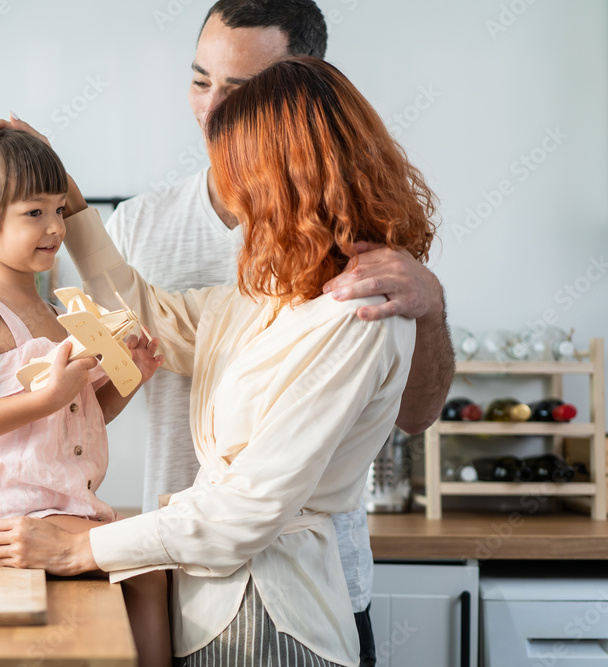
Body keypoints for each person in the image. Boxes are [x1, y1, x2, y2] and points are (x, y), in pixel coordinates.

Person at [0, 56, 438, 667]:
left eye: (238, 173)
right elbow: (148, 313)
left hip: (276, 618)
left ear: (286, 179)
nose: (230, 193)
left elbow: (245, 513)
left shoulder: (359, 314)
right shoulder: (274, 290)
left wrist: (81, 548)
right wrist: (72, 202)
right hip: (213, 610)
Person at [104, 2, 453, 664]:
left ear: (300, 94)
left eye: (239, 92)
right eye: (200, 80)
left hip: (297, 590)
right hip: (175, 577)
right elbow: (127, 334)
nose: (211, 110)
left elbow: (414, 416)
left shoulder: (365, 283)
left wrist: (429, 305)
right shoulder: (147, 229)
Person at [0, 127, 171, 667]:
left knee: (148, 567)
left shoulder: (52, 313)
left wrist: (130, 376)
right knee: (145, 565)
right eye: (34, 214)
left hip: (50, 510)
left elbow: (78, 416)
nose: (54, 227)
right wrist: (49, 396)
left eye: (59, 210)